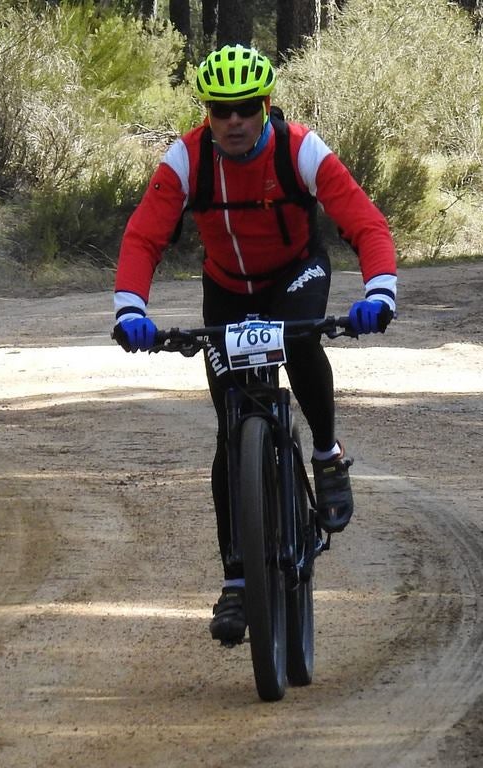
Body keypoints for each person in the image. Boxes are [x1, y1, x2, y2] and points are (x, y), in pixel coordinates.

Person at [111, 44, 397, 645]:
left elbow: (364, 222)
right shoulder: (187, 160)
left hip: (296, 273)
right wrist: (131, 308)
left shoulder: (299, 150)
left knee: (299, 345)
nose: (234, 120)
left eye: (246, 107)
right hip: (228, 292)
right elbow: (143, 237)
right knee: (230, 427)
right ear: (208, 113)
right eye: (222, 109)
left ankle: (325, 454)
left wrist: (380, 292)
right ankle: (238, 581)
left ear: (265, 106)